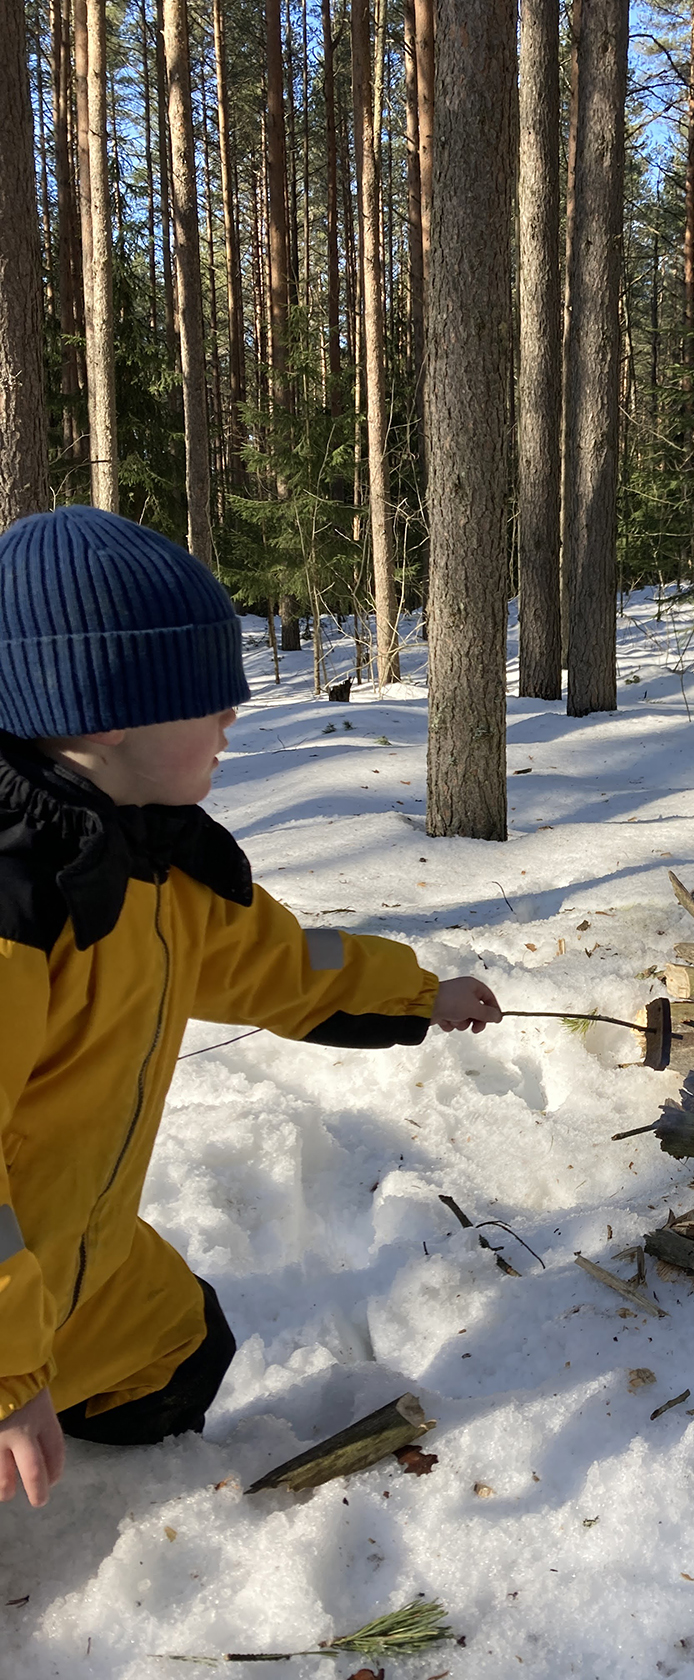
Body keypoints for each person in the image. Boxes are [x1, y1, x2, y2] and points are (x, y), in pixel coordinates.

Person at [0, 506, 502, 1510]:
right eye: (207, 698)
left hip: (79, 1263)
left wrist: (420, 993)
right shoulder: (16, 905)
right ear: (108, 713)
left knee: (184, 1354)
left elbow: (283, 961)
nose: (234, 717)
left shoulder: (156, 863)